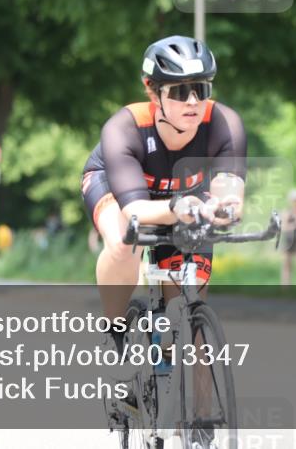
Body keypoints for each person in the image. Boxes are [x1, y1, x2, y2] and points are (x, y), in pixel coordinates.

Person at [81, 35, 246, 354]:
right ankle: (115, 336)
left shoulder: (225, 124)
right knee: (122, 243)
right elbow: (134, 213)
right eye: (181, 91)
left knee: (188, 322)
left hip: (183, 195)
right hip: (120, 189)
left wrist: (226, 206)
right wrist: (177, 206)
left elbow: (229, 189)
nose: (193, 102)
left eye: (202, 89)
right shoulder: (124, 128)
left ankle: (198, 402)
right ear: (152, 90)